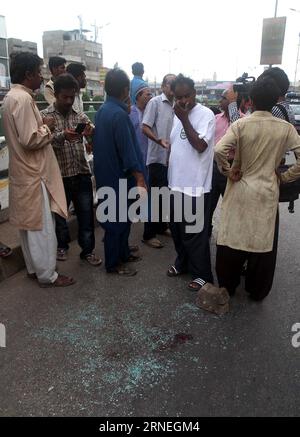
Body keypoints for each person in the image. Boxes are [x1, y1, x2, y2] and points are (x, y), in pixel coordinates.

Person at [215, 78, 300, 301]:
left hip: (240, 187)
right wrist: (285, 177)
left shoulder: (241, 124)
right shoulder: (285, 128)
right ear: (275, 102)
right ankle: (257, 289)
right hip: (267, 190)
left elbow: (219, 149)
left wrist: (227, 171)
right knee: (262, 242)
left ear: (250, 101)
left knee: (232, 238)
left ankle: (228, 285)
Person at [2, 52, 74, 287]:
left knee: (29, 225)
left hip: (24, 172)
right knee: (41, 227)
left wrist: (40, 126)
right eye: (39, 72)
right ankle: (48, 274)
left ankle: (35, 269)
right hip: (34, 173)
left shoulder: (13, 97)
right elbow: (30, 139)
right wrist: (47, 127)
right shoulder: (22, 100)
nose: (42, 77)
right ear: (28, 74)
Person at [41, 74, 102, 266]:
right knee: (59, 216)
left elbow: (93, 140)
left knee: (86, 216)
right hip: (58, 176)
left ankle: (88, 251)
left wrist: (91, 135)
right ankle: (62, 246)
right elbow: (40, 143)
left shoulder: (80, 116)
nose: (68, 101)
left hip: (81, 173)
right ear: (56, 95)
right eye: (65, 97)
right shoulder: (45, 117)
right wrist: (61, 136)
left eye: (72, 97)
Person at [93, 68, 147, 276]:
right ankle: (113, 263)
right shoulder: (119, 115)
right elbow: (128, 150)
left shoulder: (103, 111)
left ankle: (123, 253)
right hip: (120, 177)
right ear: (126, 90)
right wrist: (140, 178)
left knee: (120, 219)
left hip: (106, 174)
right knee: (118, 221)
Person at [166, 74, 216, 292]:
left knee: (195, 234)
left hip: (196, 186)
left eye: (187, 95)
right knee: (177, 230)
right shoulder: (177, 115)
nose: (183, 100)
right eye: (179, 97)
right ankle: (183, 263)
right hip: (176, 183)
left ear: (195, 93)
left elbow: (200, 145)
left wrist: (185, 118)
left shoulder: (206, 115)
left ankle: (203, 275)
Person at [142, 74, 176, 248]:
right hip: (157, 157)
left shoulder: (177, 105)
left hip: (172, 160)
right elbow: (145, 127)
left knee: (165, 196)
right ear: (163, 86)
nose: (173, 88)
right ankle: (148, 234)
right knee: (155, 197)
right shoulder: (155, 103)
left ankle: (162, 226)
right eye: (170, 84)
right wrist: (158, 140)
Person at [209, 88, 244, 237]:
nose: (220, 101)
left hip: (232, 168)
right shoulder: (215, 119)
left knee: (232, 207)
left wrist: (232, 104)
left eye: (224, 98)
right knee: (207, 206)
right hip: (213, 168)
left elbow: (239, 140)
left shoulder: (243, 121)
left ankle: (230, 238)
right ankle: (205, 233)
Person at [229, 67, 295, 124]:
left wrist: (233, 101)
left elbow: (241, 128)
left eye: (264, 84)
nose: (261, 86)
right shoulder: (286, 107)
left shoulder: (274, 110)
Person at [129, 84, 153, 166]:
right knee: (124, 179)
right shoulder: (129, 113)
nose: (151, 97)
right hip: (134, 157)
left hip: (149, 159)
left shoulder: (152, 113)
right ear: (138, 96)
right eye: (148, 94)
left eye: (151, 94)